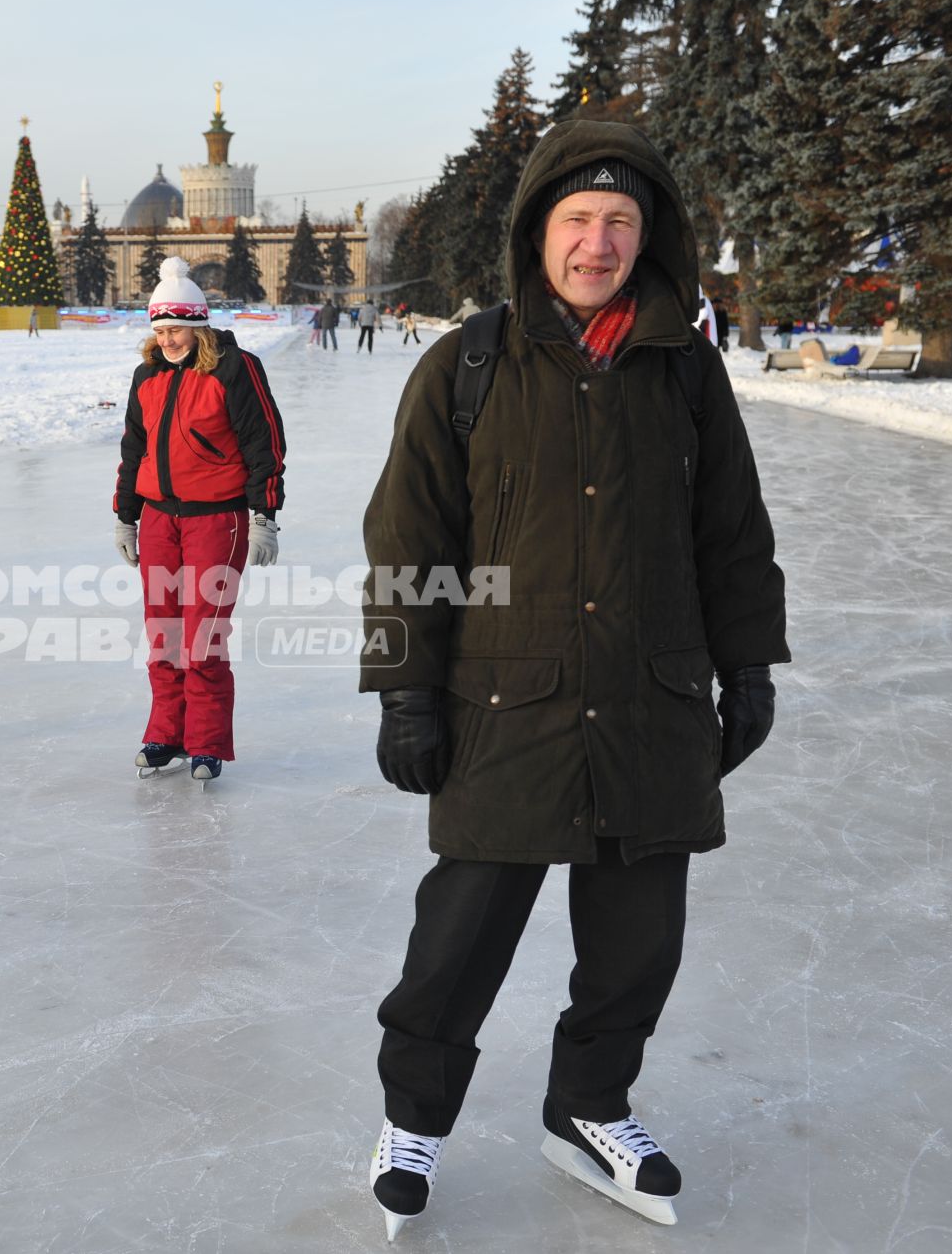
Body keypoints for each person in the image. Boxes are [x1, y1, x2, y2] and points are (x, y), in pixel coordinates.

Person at [358, 120, 788, 1240]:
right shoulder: (469, 362)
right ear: (538, 233)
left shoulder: (686, 369)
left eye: (620, 223)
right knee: (458, 938)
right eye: (578, 221)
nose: (597, 244)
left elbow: (732, 529)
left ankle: (590, 1104)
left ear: (650, 240)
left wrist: (748, 665)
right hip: (506, 697)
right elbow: (409, 531)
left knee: (639, 939)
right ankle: (415, 1118)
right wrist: (407, 686)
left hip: (650, 695)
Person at [113, 257, 285, 782]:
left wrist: (265, 515)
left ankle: (206, 742)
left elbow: (266, 445)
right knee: (164, 633)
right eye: (160, 329)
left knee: (202, 638)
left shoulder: (235, 368)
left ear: (198, 325)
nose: (167, 339)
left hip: (219, 520)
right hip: (161, 520)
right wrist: (127, 517)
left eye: (177, 329)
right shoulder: (148, 376)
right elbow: (133, 450)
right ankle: (166, 734)